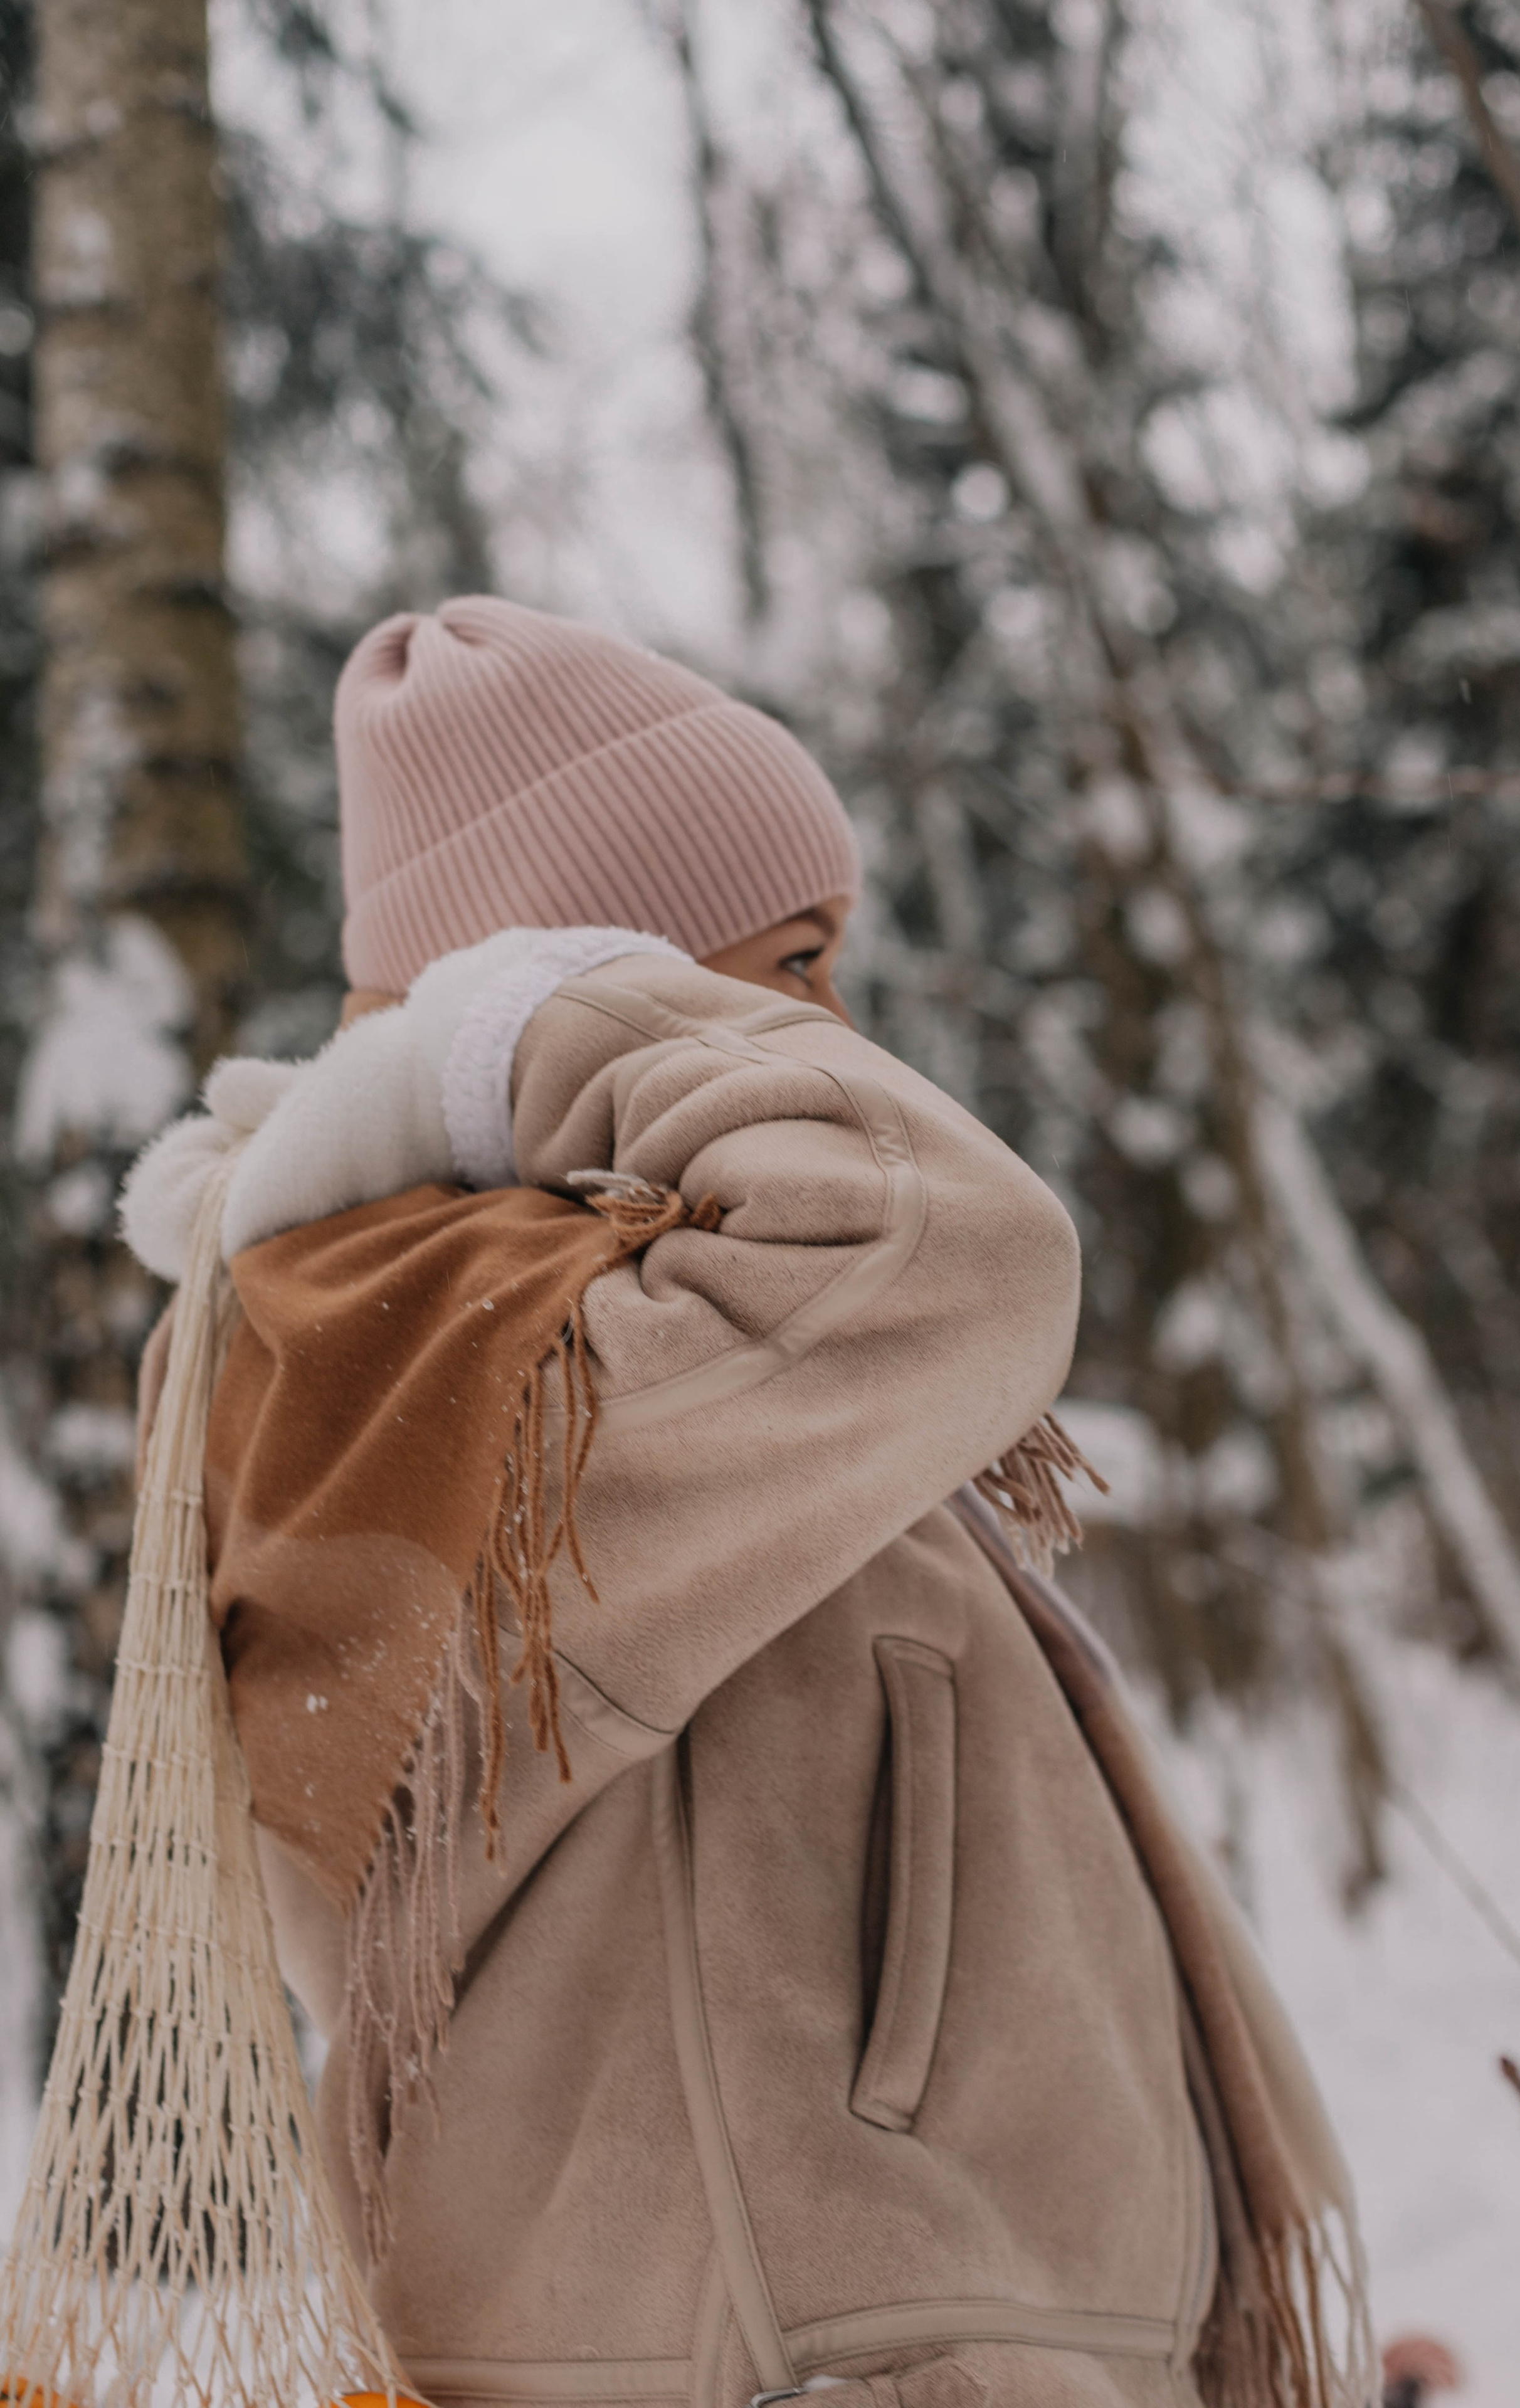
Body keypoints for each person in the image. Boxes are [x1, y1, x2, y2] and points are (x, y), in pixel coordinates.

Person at [124, 599, 1371, 2408]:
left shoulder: (544, 1320)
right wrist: (560, 1011)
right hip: (822, 2342)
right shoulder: (434, 1350)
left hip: (862, 2314)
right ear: (562, 990)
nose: (834, 1030)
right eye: (786, 966)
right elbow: (959, 1243)